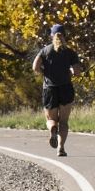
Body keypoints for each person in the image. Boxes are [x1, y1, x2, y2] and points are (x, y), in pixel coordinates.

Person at [32, 24, 83, 157]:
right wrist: (70, 72)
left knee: (50, 119)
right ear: (65, 35)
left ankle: (53, 129)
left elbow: (35, 67)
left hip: (50, 89)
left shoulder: (45, 51)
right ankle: (61, 148)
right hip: (66, 88)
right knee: (64, 121)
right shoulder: (70, 52)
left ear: (51, 35)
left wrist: (45, 72)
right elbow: (77, 71)